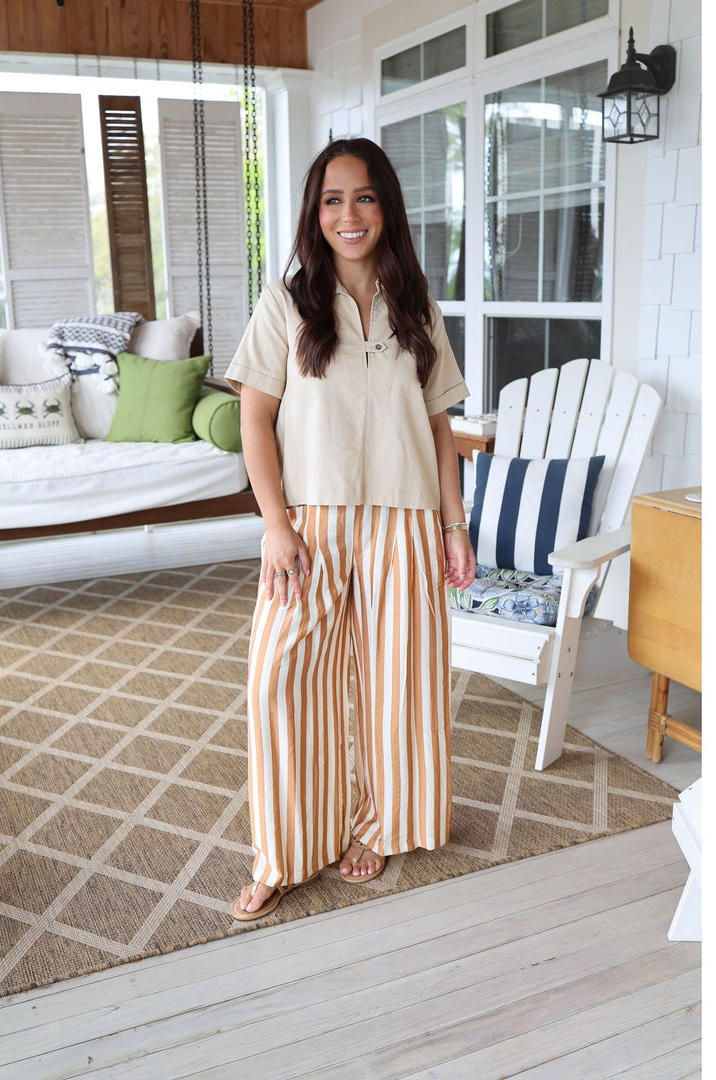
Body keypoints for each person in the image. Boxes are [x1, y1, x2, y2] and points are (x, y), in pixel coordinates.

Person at [224, 138, 476, 921]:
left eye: (364, 197)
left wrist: (454, 524)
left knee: (397, 689)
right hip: (312, 524)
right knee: (277, 680)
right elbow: (254, 418)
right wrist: (276, 524)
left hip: (405, 521)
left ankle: (380, 824)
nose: (348, 214)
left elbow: (440, 426)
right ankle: (287, 849)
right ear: (314, 213)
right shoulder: (286, 304)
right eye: (333, 200)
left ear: (386, 207)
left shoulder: (416, 305)